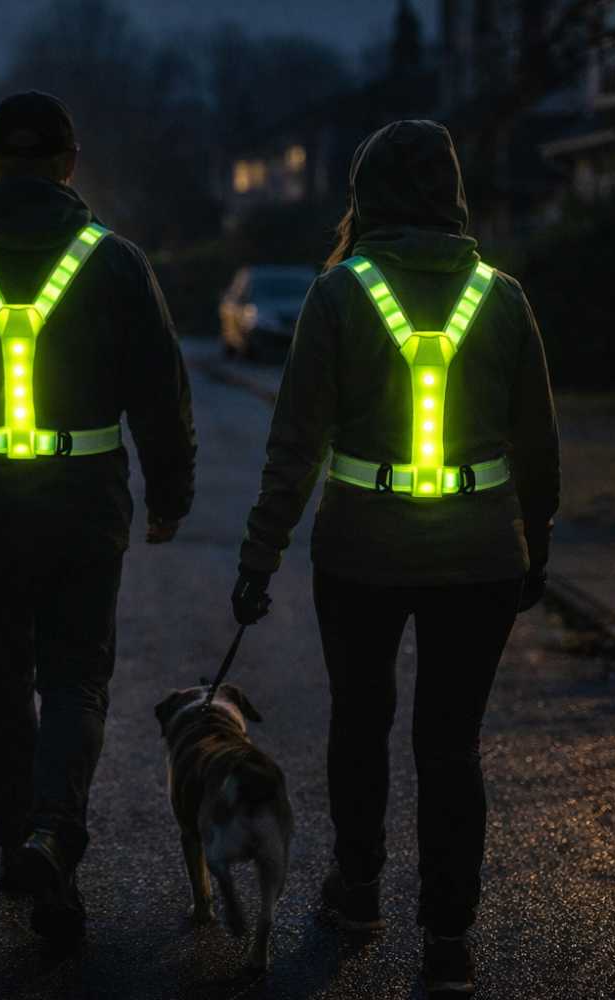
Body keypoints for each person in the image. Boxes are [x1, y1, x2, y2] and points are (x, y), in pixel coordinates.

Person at [230, 119, 559, 994]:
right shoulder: (504, 297)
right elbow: (538, 442)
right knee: (451, 746)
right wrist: (538, 538)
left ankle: (360, 888)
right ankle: (449, 937)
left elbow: (294, 444)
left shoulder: (339, 295)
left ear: (365, 195)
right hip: (482, 555)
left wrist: (259, 557)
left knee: (360, 723)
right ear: (451, 193)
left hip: (361, 555)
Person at [0, 91, 197, 947]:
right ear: (70, 162)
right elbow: (161, 394)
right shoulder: (116, 263)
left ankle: (17, 835)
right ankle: (58, 833)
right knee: (74, 678)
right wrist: (170, 495)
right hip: (85, 503)